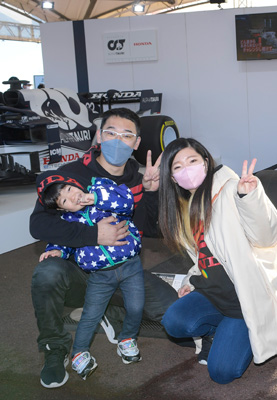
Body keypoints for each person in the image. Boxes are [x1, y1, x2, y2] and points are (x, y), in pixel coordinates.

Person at [29, 107, 178, 389]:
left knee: (172, 311)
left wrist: (151, 193)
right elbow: (39, 225)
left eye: (126, 135)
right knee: (47, 273)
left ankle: (109, 312)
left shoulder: (138, 178)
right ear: (98, 135)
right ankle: (55, 348)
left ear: (136, 143)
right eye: (110, 133)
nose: (117, 141)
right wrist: (93, 234)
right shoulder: (69, 175)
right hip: (80, 270)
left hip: (124, 270)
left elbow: (151, 229)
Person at [158, 138, 277, 384]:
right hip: (212, 293)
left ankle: (232, 331)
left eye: (192, 161)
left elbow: (267, 236)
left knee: (222, 373)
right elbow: (203, 254)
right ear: (171, 177)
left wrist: (250, 197)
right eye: (177, 167)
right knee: (174, 322)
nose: (186, 169)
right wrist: (192, 278)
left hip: (245, 301)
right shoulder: (183, 208)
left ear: (207, 162)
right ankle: (215, 329)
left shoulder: (233, 190)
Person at [37, 170, 144, 380]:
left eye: (69, 189)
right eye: (65, 200)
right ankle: (79, 352)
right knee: (90, 315)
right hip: (100, 275)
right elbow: (63, 240)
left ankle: (127, 339)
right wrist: (57, 251)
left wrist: (96, 197)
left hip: (131, 266)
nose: (72, 197)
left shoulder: (100, 191)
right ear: (61, 208)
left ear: (76, 183)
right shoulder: (67, 221)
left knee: (136, 306)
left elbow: (126, 202)